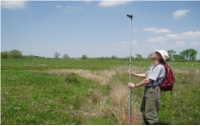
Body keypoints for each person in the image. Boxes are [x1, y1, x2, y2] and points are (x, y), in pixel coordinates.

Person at [127, 49, 169, 125]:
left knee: (150, 113)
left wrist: (135, 85)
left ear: (159, 57)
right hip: (149, 89)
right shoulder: (153, 65)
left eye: (156, 53)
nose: (153, 53)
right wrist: (134, 74)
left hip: (153, 90)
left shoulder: (159, 67)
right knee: (144, 109)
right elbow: (147, 75)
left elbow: (148, 80)